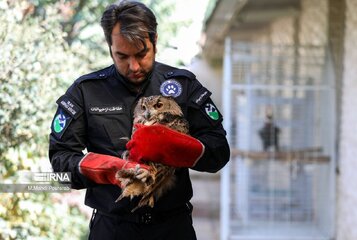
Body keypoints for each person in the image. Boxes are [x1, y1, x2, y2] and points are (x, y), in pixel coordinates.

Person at [49, 1, 230, 239]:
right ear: (109, 47)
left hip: (172, 228)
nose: (133, 66)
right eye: (122, 56)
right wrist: (103, 169)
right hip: (112, 228)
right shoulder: (86, 91)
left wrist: (181, 149)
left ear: (155, 41)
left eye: (141, 54)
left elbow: (219, 151)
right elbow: (60, 162)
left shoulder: (183, 87)